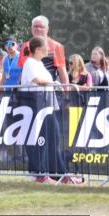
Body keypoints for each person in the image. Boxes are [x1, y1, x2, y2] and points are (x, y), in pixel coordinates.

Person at [20, 36, 77, 184]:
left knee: (54, 138)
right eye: (46, 47)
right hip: (36, 106)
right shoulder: (30, 63)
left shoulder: (39, 63)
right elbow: (37, 80)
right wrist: (55, 83)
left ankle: (59, 174)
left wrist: (54, 83)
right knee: (40, 140)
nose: (49, 49)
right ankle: (40, 174)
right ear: (39, 49)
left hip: (47, 105)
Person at [18, 16, 69, 86]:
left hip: (49, 88)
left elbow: (62, 71)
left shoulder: (57, 46)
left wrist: (67, 90)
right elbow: (23, 69)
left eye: (41, 27)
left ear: (47, 29)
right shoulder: (25, 46)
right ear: (31, 28)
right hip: (30, 88)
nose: (38, 29)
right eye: (35, 26)